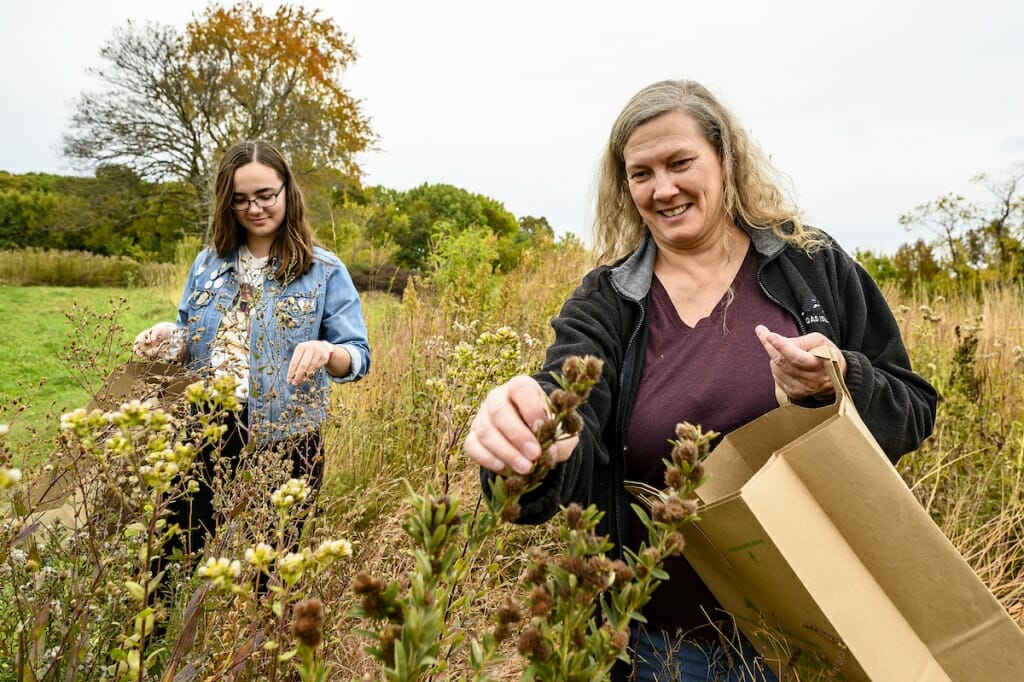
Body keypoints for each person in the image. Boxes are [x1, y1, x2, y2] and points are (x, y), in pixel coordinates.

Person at [464, 80, 937, 681]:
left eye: (680, 162)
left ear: (724, 158)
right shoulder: (607, 302)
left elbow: (913, 408)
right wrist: (527, 444)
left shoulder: (811, 266)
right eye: (641, 173)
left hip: (820, 629)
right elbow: (565, 403)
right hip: (663, 646)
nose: (663, 189)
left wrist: (838, 380)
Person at [133, 139, 370, 557]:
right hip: (205, 427)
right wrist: (167, 338)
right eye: (241, 200)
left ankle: (247, 627)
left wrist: (327, 352)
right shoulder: (208, 262)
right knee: (171, 557)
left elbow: (357, 354)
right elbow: (190, 338)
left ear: (287, 192)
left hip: (287, 438)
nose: (255, 208)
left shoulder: (324, 270)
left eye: (265, 196)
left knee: (269, 568)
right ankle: (164, 626)